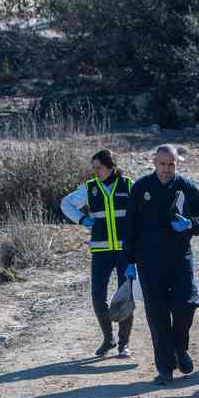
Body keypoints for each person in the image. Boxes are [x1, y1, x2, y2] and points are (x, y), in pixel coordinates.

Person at [124, 144, 199, 385]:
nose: (166, 169)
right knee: (157, 314)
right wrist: (129, 261)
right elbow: (129, 227)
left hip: (180, 257)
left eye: (171, 164)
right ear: (154, 163)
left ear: (177, 163)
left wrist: (190, 225)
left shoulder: (186, 188)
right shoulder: (141, 188)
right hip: (148, 262)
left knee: (186, 306)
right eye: (162, 164)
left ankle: (180, 347)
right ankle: (165, 367)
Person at [60, 149, 135, 357]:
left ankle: (124, 344)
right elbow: (66, 204)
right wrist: (82, 219)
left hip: (124, 251)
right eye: (94, 168)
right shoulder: (90, 188)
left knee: (125, 297)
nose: (96, 172)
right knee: (97, 296)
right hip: (101, 250)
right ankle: (108, 339)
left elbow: (141, 213)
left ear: (111, 166)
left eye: (99, 168)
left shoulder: (129, 185)